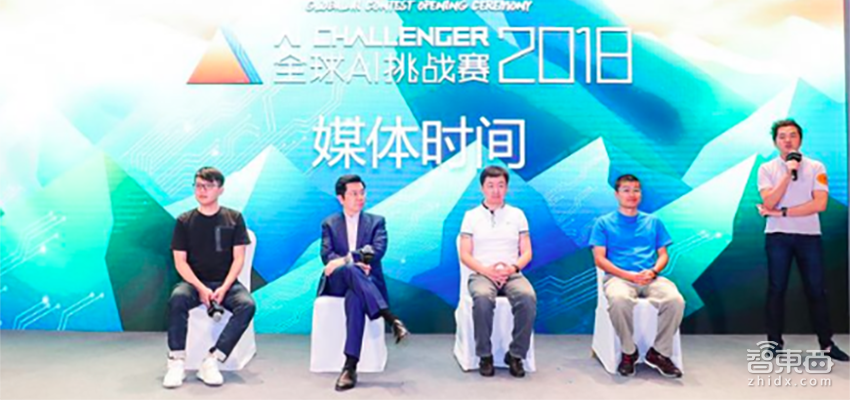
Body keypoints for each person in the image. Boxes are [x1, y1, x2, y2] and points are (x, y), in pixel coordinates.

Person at [756, 118, 848, 361]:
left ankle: (827, 344)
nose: (788, 140)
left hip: (809, 236)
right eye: (782, 136)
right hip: (777, 236)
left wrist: (783, 212)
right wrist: (788, 174)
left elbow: (820, 204)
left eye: (792, 135)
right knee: (776, 289)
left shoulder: (816, 166)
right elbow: (768, 202)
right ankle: (774, 342)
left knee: (816, 289)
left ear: (801, 139)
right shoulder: (767, 168)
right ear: (775, 142)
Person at [163, 167, 256, 388]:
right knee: (178, 298)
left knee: (247, 305)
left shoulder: (234, 218)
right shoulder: (184, 221)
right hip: (194, 283)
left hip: (226, 284)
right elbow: (180, 262)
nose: (202, 190)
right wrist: (200, 288)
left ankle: (212, 360)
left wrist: (224, 287)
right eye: (198, 186)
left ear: (220, 189)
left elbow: (239, 259)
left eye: (208, 186)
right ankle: (176, 361)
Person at [318, 174, 410, 391]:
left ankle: (350, 366)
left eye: (362, 193)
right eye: (354, 194)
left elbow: (376, 250)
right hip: (338, 280)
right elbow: (327, 256)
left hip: (364, 280)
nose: (360, 197)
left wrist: (348, 259)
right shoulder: (329, 223)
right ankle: (390, 317)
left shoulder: (377, 222)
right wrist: (350, 262)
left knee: (355, 297)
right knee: (351, 270)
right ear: (341, 198)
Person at [589, 174, 684, 378]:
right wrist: (628, 275)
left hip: (651, 277)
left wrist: (653, 271)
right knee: (618, 300)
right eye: (626, 190)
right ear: (616, 194)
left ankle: (659, 353)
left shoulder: (653, 222)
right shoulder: (603, 223)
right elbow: (599, 259)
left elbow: (663, 255)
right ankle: (628, 351)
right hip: (619, 278)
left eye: (636, 190)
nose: (631, 194)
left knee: (675, 301)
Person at [459, 165, 536, 378]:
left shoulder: (518, 215)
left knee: (528, 297)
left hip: (512, 273)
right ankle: (485, 355)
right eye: (491, 185)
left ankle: (516, 355)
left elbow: (527, 252)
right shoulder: (471, 216)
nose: (496, 190)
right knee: (483, 298)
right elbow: (465, 254)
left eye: (501, 185)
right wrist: (486, 270)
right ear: (482, 188)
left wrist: (512, 268)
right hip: (482, 273)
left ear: (507, 188)